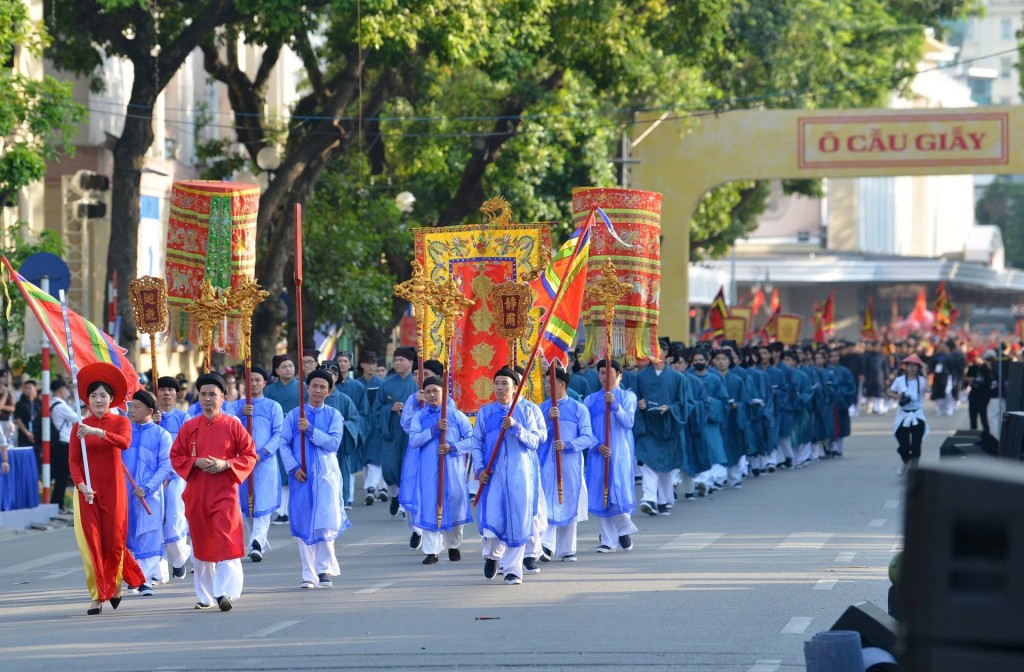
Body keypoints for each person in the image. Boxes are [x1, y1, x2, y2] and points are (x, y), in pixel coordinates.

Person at [169, 372, 257, 611]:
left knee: (227, 542)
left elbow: (250, 455)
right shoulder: (189, 427)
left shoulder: (233, 425)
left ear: (223, 397)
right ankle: (206, 595)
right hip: (197, 494)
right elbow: (176, 456)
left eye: (213, 395)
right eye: (204, 394)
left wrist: (226, 464)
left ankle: (225, 592)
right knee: (202, 545)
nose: (208, 399)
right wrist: (194, 462)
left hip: (225, 492)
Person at [68, 362, 147, 615]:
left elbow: (124, 443)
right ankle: (97, 596)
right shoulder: (78, 427)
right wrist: (81, 485)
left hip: (114, 490)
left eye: (103, 395)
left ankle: (115, 585)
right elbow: (73, 461)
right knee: (92, 543)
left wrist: (98, 432)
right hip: (87, 492)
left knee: (113, 542)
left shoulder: (120, 422)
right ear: (87, 400)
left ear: (111, 399)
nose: (98, 400)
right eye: (93, 396)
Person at [472, 366, 546, 585]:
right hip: (493, 474)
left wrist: (516, 427)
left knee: (518, 518)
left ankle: (513, 569)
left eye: (505, 383)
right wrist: (479, 468)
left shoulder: (530, 411)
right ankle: (493, 556)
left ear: (516, 387)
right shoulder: (486, 412)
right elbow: (476, 443)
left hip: (520, 474)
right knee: (494, 517)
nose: (500, 388)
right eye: (497, 383)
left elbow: (536, 440)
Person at [279, 369, 348, 588]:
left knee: (325, 522)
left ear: (329, 391)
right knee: (304, 520)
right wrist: (293, 467)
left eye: (322, 387)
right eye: (314, 386)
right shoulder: (293, 415)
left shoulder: (334, 415)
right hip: (302, 476)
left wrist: (310, 430)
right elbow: (284, 443)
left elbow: (333, 443)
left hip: (326, 475)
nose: (318, 390)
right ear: (307, 388)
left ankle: (324, 569)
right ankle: (308, 573)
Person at [403, 376, 473, 564]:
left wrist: (453, 447)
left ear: (444, 394)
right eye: (429, 392)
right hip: (427, 470)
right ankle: (431, 550)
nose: (432, 395)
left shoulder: (456, 415)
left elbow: (472, 440)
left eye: (436, 391)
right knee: (429, 505)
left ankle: (453, 545)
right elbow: (414, 440)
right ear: (424, 395)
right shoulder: (420, 416)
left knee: (454, 505)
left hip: (452, 470)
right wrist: (433, 430)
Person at [538, 366, 596, 561]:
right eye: (545, 382)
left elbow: (588, 437)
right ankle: (546, 545)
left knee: (570, 500)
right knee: (547, 500)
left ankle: (567, 549)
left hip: (570, 463)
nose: (547, 386)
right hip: (546, 462)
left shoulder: (578, 408)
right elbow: (535, 436)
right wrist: (547, 420)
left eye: (550, 382)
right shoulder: (541, 409)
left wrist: (568, 444)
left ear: (562, 384)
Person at [226, 365, 283, 562]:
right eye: (250, 380)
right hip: (241, 462)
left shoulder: (273, 407)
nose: (254, 383)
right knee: (246, 506)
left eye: (258, 380)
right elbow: (224, 424)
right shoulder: (234, 406)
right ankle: (255, 541)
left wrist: (261, 453)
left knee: (263, 503)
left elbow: (278, 434)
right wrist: (241, 413)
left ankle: (257, 542)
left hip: (264, 463)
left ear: (265, 383)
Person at [585, 359, 638, 553]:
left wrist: (615, 406)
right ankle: (608, 540)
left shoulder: (627, 397)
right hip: (599, 453)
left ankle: (623, 529)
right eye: (601, 372)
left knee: (618, 490)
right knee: (601, 492)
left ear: (619, 375)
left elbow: (629, 422)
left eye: (609, 372)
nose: (605, 376)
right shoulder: (590, 400)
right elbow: (585, 429)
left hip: (620, 452)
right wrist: (596, 445)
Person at [124, 389, 173, 590]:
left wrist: (148, 487)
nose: (131, 411)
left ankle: (143, 579)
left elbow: (165, 466)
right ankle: (136, 575)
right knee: (131, 534)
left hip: (150, 494)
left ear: (150, 410)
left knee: (150, 533)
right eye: (131, 406)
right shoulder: (125, 432)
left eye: (136, 407)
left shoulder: (161, 435)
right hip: (126, 492)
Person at [634, 339, 688, 515]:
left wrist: (670, 408)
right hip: (649, 426)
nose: (656, 353)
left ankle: (664, 500)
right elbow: (634, 399)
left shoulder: (677, 378)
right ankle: (649, 498)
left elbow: (683, 405)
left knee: (666, 466)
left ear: (666, 353)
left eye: (660, 349)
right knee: (648, 464)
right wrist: (639, 404)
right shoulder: (640, 377)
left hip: (667, 426)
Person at [368, 347, 418, 510]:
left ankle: (405, 504)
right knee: (389, 468)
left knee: (408, 466)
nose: (397, 363)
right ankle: (395, 496)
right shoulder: (386, 384)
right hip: (391, 430)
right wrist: (389, 409)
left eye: (401, 360)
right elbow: (376, 409)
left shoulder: (418, 383)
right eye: (395, 360)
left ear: (410, 362)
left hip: (411, 434)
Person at [152, 376, 192, 580]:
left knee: (174, 519)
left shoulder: (183, 419)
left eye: (170, 390)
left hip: (176, 477)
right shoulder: (150, 418)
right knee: (155, 521)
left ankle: (178, 558)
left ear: (177, 394)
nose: (166, 393)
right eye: (162, 390)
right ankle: (160, 572)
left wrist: (172, 473)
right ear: (156, 393)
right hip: (153, 479)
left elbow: (187, 450)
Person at [264, 354, 300, 526]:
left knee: (294, 468)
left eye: (291, 366)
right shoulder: (270, 391)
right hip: (278, 434)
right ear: (277, 371)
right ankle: (280, 511)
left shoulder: (302, 388)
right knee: (280, 471)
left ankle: (289, 510)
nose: (288, 369)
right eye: (284, 366)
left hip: (297, 433)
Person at [322, 361, 363, 510]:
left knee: (340, 473)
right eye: (324, 373)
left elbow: (355, 419)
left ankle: (341, 500)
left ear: (337, 377)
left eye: (331, 374)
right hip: (318, 446)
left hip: (339, 444)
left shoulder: (344, 399)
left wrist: (344, 424)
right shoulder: (313, 398)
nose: (327, 377)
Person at [887, 355, 928, 477]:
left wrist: (925, 374)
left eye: (915, 366)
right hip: (903, 415)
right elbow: (889, 392)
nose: (912, 368)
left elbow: (929, 389)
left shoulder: (921, 380)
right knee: (903, 445)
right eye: (909, 365)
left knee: (916, 444)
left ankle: (914, 469)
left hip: (917, 415)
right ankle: (906, 462)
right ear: (906, 367)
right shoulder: (899, 380)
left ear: (918, 368)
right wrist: (899, 396)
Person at [45, 377, 77, 511]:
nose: (66, 392)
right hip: (64, 444)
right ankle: (58, 504)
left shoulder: (49, 404)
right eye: (65, 389)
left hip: (56, 444)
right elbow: (78, 419)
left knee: (59, 476)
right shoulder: (61, 406)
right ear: (60, 390)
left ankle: (56, 503)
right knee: (62, 477)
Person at [965, 350, 994, 435]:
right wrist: (970, 380)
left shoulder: (991, 370)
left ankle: (987, 436)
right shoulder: (974, 368)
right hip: (974, 395)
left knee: (984, 419)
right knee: (973, 419)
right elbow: (966, 379)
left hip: (984, 397)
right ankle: (973, 436)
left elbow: (989, 383)